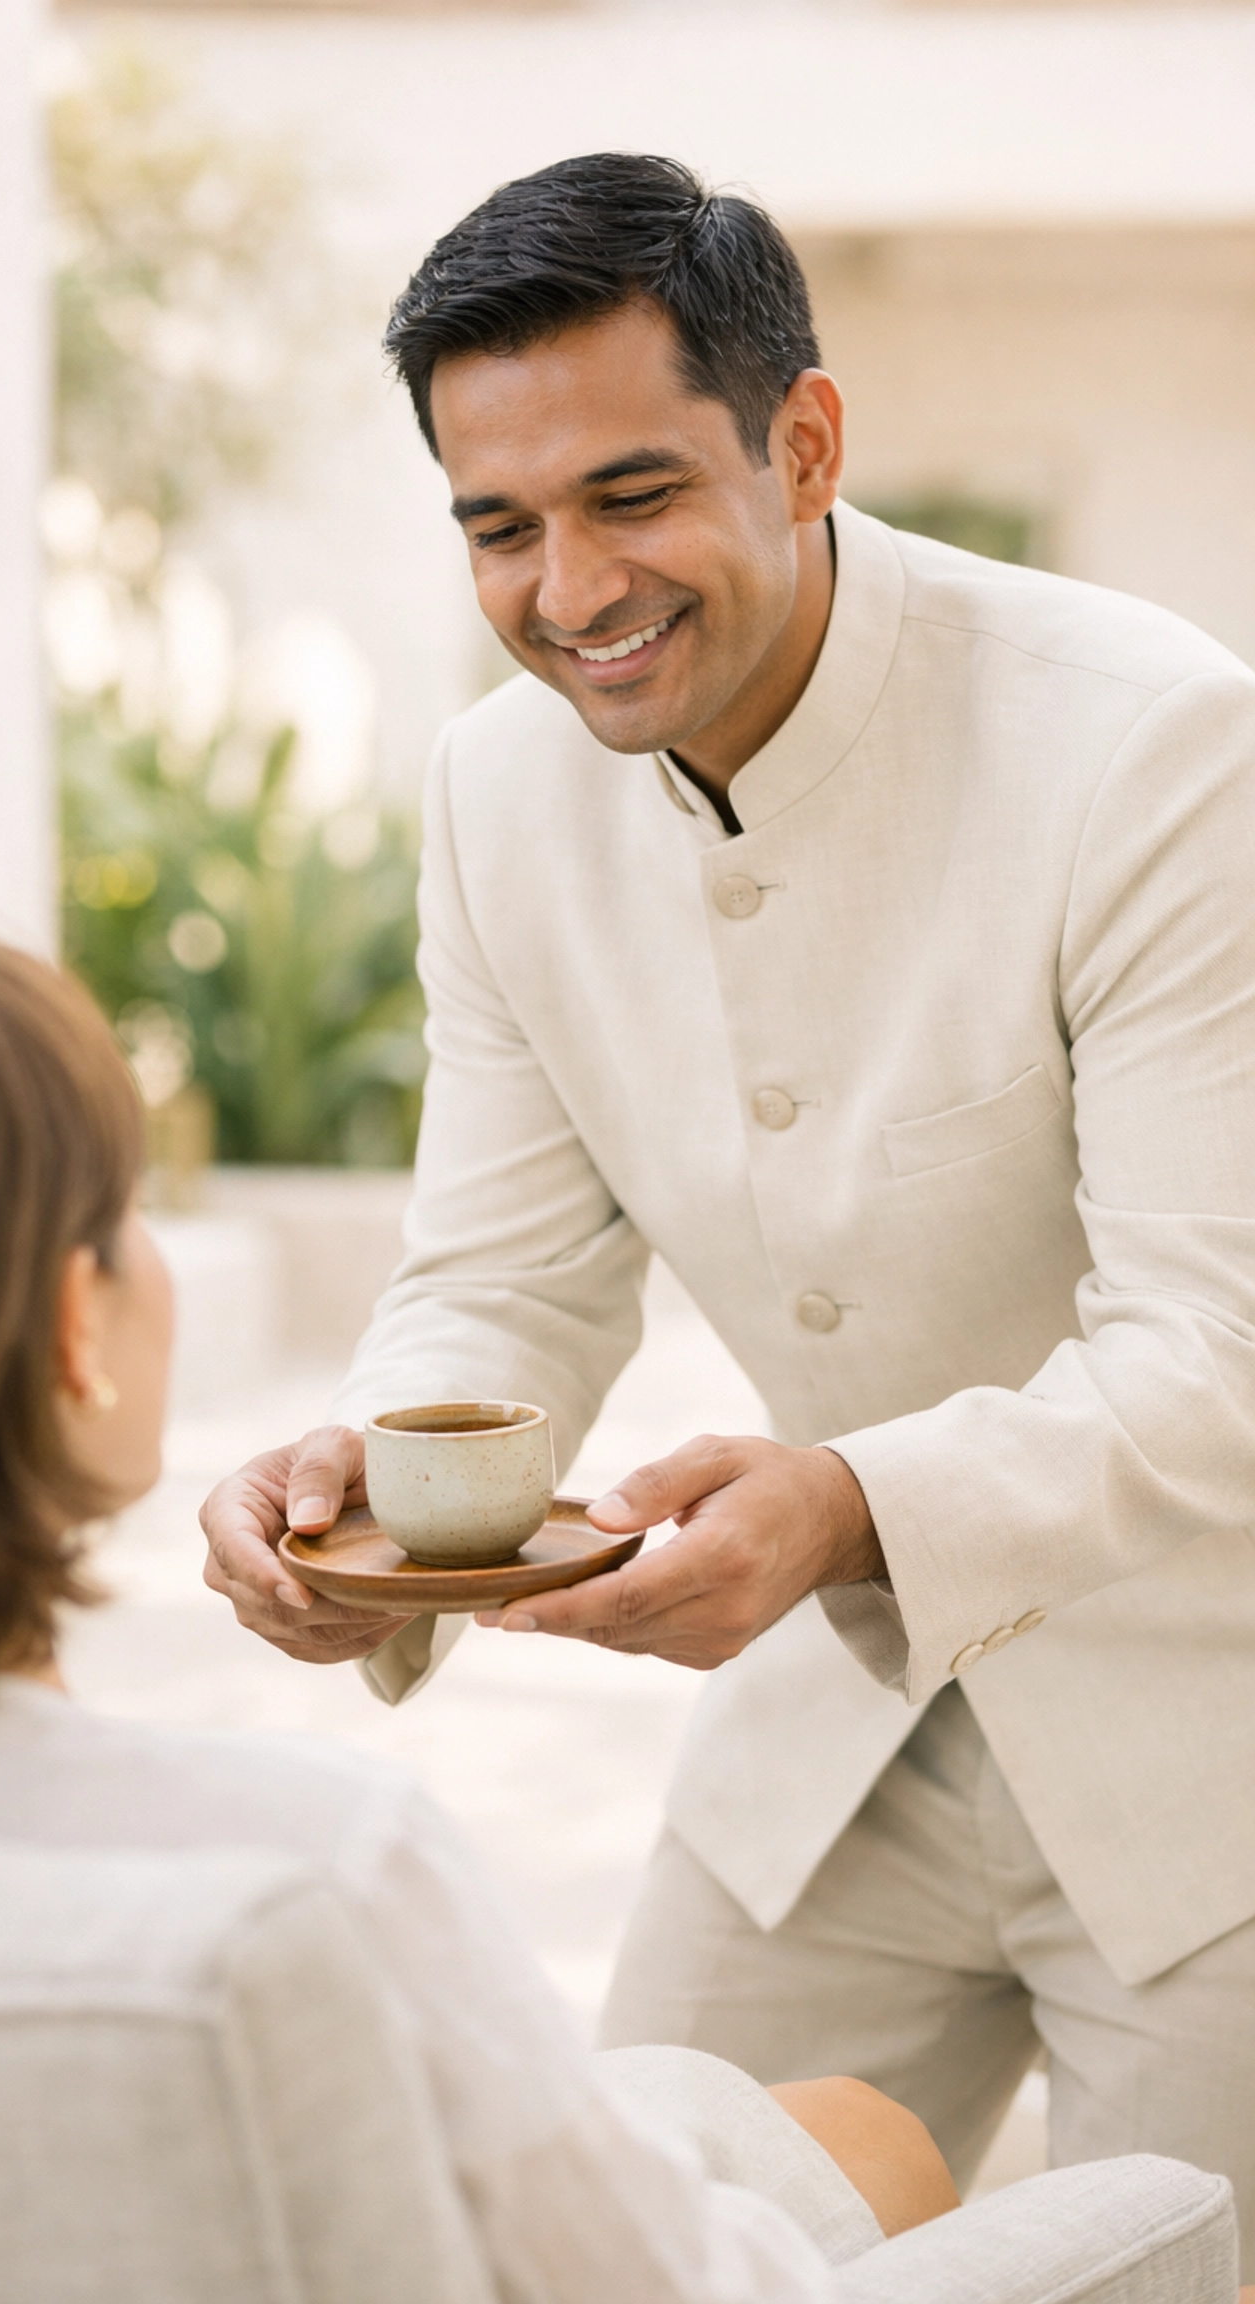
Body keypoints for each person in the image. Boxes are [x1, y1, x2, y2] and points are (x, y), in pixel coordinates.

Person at [199, 153, 1255, 2265]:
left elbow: (1216, 1358)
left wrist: (843, 1506)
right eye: (500, 525)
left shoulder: (1156, 749)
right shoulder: (494, 798)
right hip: (826, 1752)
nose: (570, 587)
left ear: (807, 443)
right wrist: (369, 1494)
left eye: (631, 494)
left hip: (1209, 1763)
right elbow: (499, 1273)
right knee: (607, 2264)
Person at [0, 915, 969, 2304]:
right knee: (903, 2168)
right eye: (130, 1211)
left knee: (831, 2131)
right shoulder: (314, 1871)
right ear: (78, 1326)